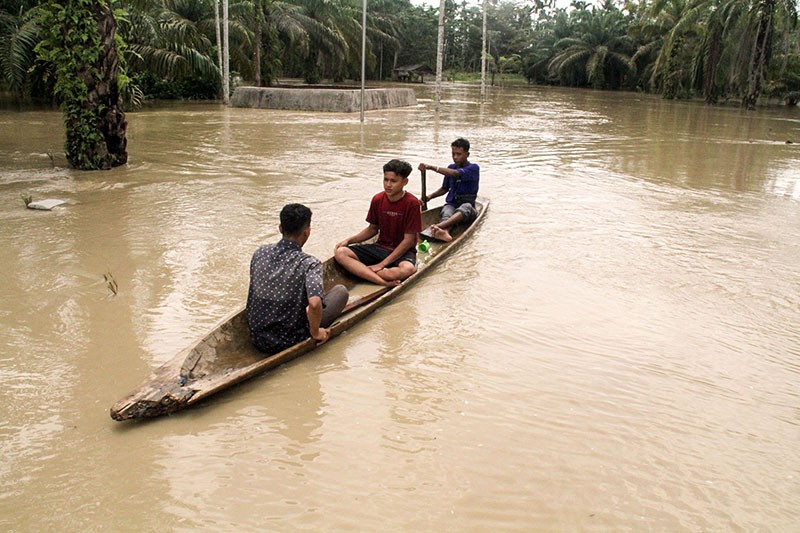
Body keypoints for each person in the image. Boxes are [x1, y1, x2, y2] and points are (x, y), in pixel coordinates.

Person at [247, 203, 349, 355]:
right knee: (341, 292)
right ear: (307, 232)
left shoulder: (260, 252)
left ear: (280, 228)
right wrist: (315, 333)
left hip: (257, 337)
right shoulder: (309, 264)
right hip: (290, 338)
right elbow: (314, 304)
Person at [334, 159, 422, 286]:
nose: (388, 185)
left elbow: (408, 241)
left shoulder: (412, 203)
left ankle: (363, 272)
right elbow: (372, 229)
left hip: (403, 253)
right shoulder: (377, 199)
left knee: (407, 269)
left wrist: (381, 264)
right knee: (341, 252)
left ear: (405, 182)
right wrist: (349, 241)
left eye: (393, 181)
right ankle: (380, 280)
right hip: (380, 248)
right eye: (386, 180)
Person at [417, 137, 480, 242]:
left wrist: (433, 168)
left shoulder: (473, 168)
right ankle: (445, 232)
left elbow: (456, 174)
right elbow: (445, 188)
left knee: (465, 207)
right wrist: (429, 197)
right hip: (453, 204)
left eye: (459, 154)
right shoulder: (451, 167)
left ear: (467, 154)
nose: (455, 157)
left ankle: (439, 226)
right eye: (453, 154)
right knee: (447, 210)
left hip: (468, 208)